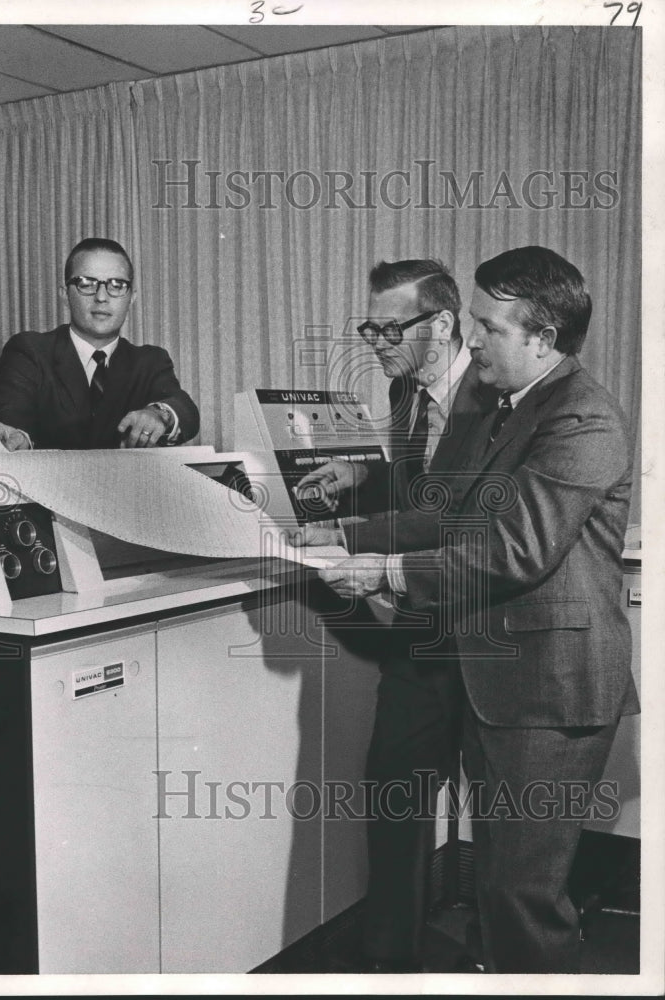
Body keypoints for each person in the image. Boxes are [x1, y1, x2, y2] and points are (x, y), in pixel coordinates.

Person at [308, 246, 639, 974]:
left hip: (551, 688)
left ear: (543, 338)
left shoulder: (581, 417)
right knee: (501, 889)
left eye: (489, 327)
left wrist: (386, 570)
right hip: (509, 684)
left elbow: (513, 551)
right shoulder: (513, 408)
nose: (475, 339)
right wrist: (345, 535)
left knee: (520, 896)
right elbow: (451, 517)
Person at [296, 259, 496, 973]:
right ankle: (390, 966)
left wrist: (369, 551)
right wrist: (359, 474)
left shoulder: (502, 394)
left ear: (441, 324)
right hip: (423, 630)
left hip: (491, 630)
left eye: (391, 327)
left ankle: (497, 970)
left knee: (502, 823)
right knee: (393, 789)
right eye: (370, 326)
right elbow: (424, 493)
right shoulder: (405, 393)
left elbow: (470, 518)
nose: (376, 341)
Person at [0, 237, 199, 454]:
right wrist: (14, 436)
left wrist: (159, 414)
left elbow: (184, 408)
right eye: (86, 284)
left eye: (117, 285)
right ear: (65, 295)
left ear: (132, 298)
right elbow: (8, 411)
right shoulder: (29, 351)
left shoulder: (150, 361)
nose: (102, 297)